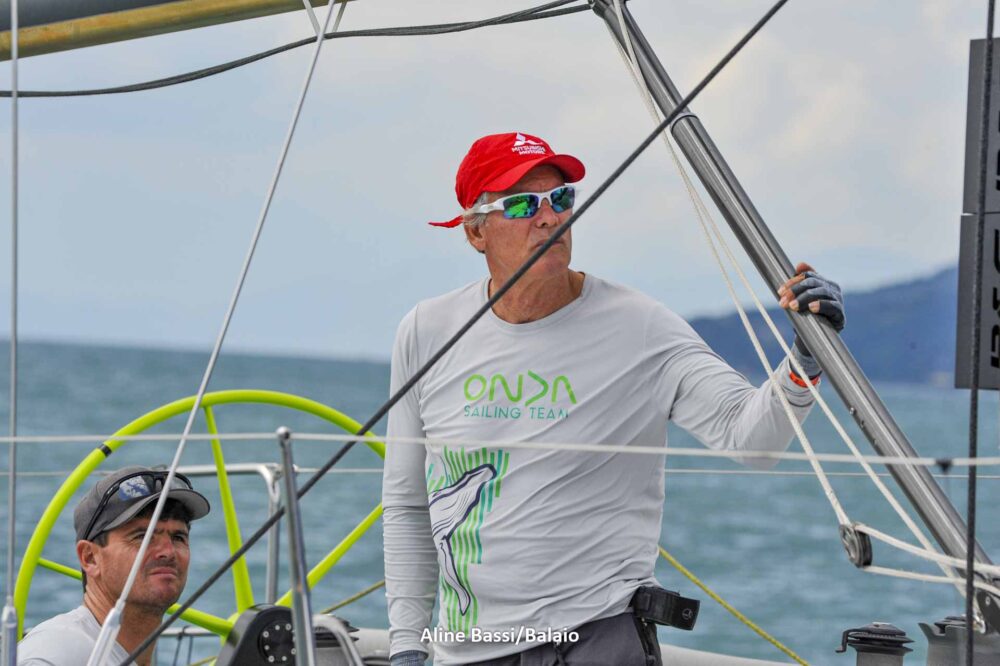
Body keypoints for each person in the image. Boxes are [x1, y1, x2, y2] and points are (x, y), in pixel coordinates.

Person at [382, 131, 845, 666]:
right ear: (475, 231)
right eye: (522, 205)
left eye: (560, 199)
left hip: (594, 637)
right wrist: (406, 645)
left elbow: (752, 439)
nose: (549, 218)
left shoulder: (640, 326)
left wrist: (807, 356)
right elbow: (408, 503)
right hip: (469, 648)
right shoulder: (427, 330)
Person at [18, 466, 211, 666]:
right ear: (90, 558)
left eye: (178, 537)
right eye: (142, 537)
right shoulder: (52, 655)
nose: (168, 552)